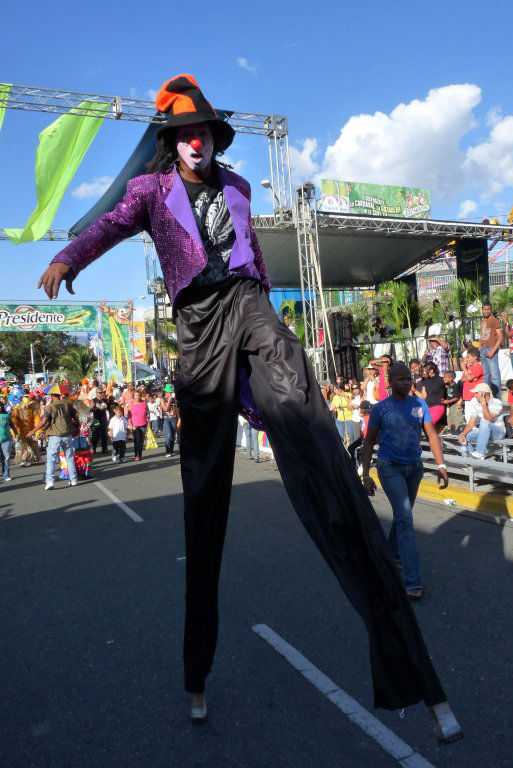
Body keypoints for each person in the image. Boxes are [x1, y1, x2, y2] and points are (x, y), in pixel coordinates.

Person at [35, 73, 461, 740]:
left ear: (213, 139)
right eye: (186, 134)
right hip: (198, 328)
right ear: (174, 143)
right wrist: (68, 258)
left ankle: (409, 664)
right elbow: (110, 226)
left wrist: (267, 385)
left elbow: (255, 258)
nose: (197, 142)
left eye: (204, 133)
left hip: (248, 304)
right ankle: (196, 672)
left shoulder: (235, 187)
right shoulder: (151, 191)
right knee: (203, 494)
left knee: (304, 414)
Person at [362, 363, 449, 601]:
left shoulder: (420, 405)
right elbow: (369, 441)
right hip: (389, 467)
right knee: (405, 518)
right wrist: (366, 474)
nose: (406, 382)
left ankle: (392, 556)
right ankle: (412, 579)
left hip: (415, 469)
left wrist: (441, 465)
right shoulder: (381, 408)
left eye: (408, 378)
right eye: (400, 379)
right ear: (390, 382)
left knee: (403, 516)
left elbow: (432, 435)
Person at [28, 383, 79, 490]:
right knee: (69, 458)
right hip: (67, 434)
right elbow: (75, 417)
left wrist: (33, 431)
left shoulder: (49, 407)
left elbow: (43, 421)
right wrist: (78, 425)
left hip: (55, 435)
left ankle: (50, 481)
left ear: (51, 395)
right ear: (59, 394)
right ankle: (73, 479)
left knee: (51, 459)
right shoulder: (68, 404)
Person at [458, 383, 505, 459]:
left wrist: (484, 405)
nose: (474, 394)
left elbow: (488, 419)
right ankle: (471, 461)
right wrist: (463, 434)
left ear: (484, 394)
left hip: (498, 432)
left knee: (484, 421)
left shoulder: (497, 402)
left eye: (476, 393)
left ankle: (480, 452)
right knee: (466, 436)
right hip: (484, 432)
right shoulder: (475, 401)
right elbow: (471, 422)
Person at [479, 301, 503, 397]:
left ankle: (498, 399)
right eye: (485, 309)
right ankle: (487, 398)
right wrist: (480, 344)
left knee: (495, 375)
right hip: (483, 349)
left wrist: (493, 350)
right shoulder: (482, 321)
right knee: (486, 375)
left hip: (491, 349)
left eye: (488, 309)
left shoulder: (494, 320)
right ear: (482, 309)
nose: (486, 311)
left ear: (491, 310)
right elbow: (484, 335)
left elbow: (500, 337)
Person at [414, 361, 446, 429]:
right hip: (426, 406)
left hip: (437, 406)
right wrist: (414, 390)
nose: (423, 372)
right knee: (414, 421)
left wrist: (458, 399)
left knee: (429, 425)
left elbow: (451, 388)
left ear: (431, 370)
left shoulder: (441, 380)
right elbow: (423, 397)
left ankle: (436, 437)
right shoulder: (424, 381)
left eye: (425, 371)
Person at [460, 346, 484, 422]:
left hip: (474, 396)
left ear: (475, 357)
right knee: (468, 416)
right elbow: (462, 379)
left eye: (468, 357)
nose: (466, 359)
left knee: (475, 417)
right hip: (467, 395)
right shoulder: (468, 368)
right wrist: (469, 377)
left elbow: (469, 378)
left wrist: (464, 369)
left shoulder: (478, 367)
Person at [347, 399, 371, 465]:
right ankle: (355, 464)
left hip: (367, 439)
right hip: (363, 438)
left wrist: (364, 442)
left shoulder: (368, 417)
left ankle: (362, 465)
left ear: (363, 409)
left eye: (361, 408)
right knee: (350, 448)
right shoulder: (364, 416)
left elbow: (367, 432)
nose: (359, 409)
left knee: (358, 450)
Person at [128, 390, 148, 461]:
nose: (138, 396)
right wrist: (130, 424)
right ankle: (136, 455)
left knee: (141, 441)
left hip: (143, 424)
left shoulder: (144, 403)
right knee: (137, 440)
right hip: (135, 425)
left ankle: (140, 454)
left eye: (139, 395)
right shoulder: (131, 403)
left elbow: (147, 413)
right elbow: (129, 415)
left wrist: (149, 422)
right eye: (136, 395)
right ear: (133, 396)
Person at [161, 384, 179, 458]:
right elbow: (165, 409)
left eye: (172, 392)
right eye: (170, 392)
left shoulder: (174, 399)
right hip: (166, 419)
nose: (171, 393)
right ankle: (167, 451)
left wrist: (179, 418)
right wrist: (169, 401)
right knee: (168, 435)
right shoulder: (162, 399)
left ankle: (171, 451)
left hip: (174, 419)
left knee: (173, 437)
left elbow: (176, 409)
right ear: (166, 392)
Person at [91, 387, 110, 454]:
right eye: (100, 392)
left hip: (104, 419)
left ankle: (104, 449)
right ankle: (94, 448)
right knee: (95, 434)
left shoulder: (105, 400)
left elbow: (109, 407)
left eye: (102, 392)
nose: (101, 394)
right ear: (96, 393)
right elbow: (91, 409)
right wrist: (98, 408)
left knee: (104, 434)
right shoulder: (94, 400)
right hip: (96, 419)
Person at [0, 402, 14, 482]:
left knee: (6, 458)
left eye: (0, 406)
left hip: (6, 439)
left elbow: (12, 425)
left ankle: (6, 474)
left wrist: (16, 434)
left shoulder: (7, 415)